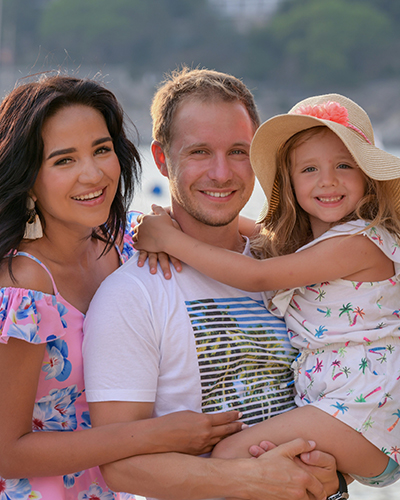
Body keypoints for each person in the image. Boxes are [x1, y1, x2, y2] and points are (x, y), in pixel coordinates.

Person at [83, 68, 340, 500]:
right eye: (200, 152)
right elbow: (122, 468)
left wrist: (335, 477)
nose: (221, 173)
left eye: (238, 151)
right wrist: (248, 480)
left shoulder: (291, 269)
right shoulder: (131, 294)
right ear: (162, 160)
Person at [0, 73, 250, 500]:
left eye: (101, 150)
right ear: (29, 177)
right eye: (64, 160)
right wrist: (158, 434)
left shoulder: (134, 238)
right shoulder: (23, 288)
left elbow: (255, 237)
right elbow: (7, 452)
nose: (93, 174)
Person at [133, 93, 400, 488]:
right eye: (309, 169)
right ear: (290, 182)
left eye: (344, 165)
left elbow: (257, 276)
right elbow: (258, 233)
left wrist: (170, 240)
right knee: (268, 469)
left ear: (365, 174)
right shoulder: (319, 244)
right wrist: (178, 217)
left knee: (228, 454)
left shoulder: (359, 242)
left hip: (364, 408)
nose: (328, 180)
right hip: (340, 407)